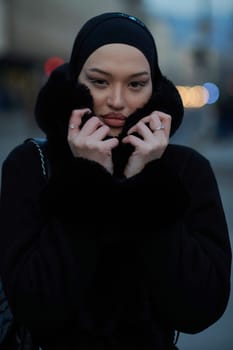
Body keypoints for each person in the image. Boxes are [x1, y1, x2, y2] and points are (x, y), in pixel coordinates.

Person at [0, 11, 231, 350]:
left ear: (154, 90)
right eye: (99, 82)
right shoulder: (31, 166)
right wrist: (86, 179)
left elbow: (199, 309)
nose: (117, 101)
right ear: (75, 82)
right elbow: (34, 306)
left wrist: (149, 184)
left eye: (136, 84)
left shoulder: (185, 170)